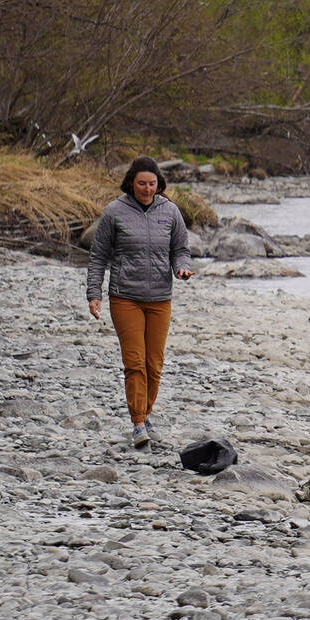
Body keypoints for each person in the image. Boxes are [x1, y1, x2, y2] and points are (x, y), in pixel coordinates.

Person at [86, 156, 194, 448]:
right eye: (142, 183)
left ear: (159, 184)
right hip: (125, 297)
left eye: (152, 184)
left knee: (154, 364)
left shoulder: (170, 211)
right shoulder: (114, 212)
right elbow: (98, 256)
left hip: (160, 297)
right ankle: (137, 424)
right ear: (131, 183)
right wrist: (94, 293)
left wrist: (181, 267)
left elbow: (180, 249)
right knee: (135, 363)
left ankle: (145, 415)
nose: (147, 189)